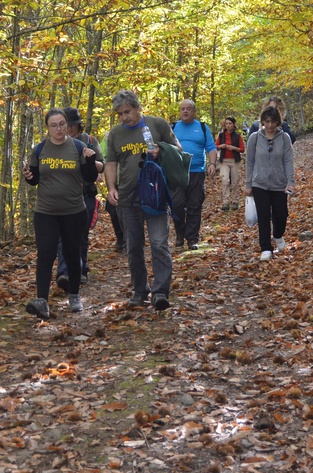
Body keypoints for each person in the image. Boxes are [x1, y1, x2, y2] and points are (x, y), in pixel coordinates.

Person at [104, 90, 179, 310]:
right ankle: (140, 291)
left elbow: (179, 150)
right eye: (119, 113)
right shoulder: (115, 134)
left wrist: (161, 151)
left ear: (137, 108)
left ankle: (160, 292)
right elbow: (111, 163)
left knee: (158, 243)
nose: (124, 117)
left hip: (155, 196)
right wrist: (111, 188)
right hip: (128, 197)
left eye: (127, 111)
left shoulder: (157, 125)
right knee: (133, 247)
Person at [21, 109, 98, 319]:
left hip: (74, 211)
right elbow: (34, 179)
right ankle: (42, 301)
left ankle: (74, 295)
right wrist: (28, 176)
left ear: (67, 126)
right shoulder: (39, 150)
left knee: (73, 254)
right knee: (46, 254)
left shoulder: (78, 147)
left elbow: (90, 178)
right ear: (47, 127)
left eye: (62, 124)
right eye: (54, 125)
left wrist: (90, 161)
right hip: (46, 211)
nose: (58, 129)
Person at [56, 107, 104, 289]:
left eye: (73, 125)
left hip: (86, 193)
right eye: (66, 125)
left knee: (81, 235)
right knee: (63, 235)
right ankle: (64, 273)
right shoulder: (55, 143)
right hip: (63, 195)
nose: (69, 129)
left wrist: (89, 160)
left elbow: (102, 165)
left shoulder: (90, 141)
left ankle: (81, 269)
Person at [245, 106, 294, 262]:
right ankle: (266, 248)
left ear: (278, 122)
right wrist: (248, 183)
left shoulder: (284, 138)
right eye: (267, 121)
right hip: (260, 183)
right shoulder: (254, 138)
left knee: (281, 215)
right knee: (264, 216)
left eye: (273, 121)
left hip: (279, 184)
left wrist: (290, 182)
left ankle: (278, 235)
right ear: (262, 121)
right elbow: (249, 161)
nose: (270, 125)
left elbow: (288, 161)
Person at [171, 100, 217, 249]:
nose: (185, 111)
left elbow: (211, 147)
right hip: (177, 172)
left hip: (197, 172)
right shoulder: (173, 128)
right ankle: (180, 231)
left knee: (194, 205)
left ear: (194, 111)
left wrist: (212, 164)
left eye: (188, 109)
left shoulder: (202, 128)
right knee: (176, 204)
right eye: (182, 109)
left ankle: (192, 238)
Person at [102, 130, 126, 252]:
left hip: (130, 180)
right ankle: (120, 237)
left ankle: (129, 239)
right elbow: (102, 156)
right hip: (114, 180)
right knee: (113, 210)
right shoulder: (109, 135)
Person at [216, 116, 245, 211]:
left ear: (233, 125)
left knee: (235, 181)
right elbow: (214, 146)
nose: (228, 126)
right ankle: (225, 202)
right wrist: (221, 146)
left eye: (230, 124)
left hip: (235, 161)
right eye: (226, 124)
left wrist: (234, 148)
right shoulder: (221, 135)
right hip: (224, 161)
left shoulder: (238, 136)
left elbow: (242, 149)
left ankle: (235, 201)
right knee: (225, 180)